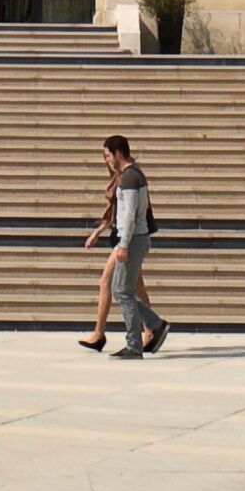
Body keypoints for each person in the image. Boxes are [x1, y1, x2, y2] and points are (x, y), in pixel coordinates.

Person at [79, 131, 169, 357]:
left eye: (108, 155)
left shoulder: (129, 178)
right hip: (134, 239)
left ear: (118, 153)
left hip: (131, 240)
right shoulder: (134, 175)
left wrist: (124, 245)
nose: (107, 160)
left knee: (121, 291)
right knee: (126, 290)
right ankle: (153, 327)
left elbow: (128, 216)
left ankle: (136, 342)